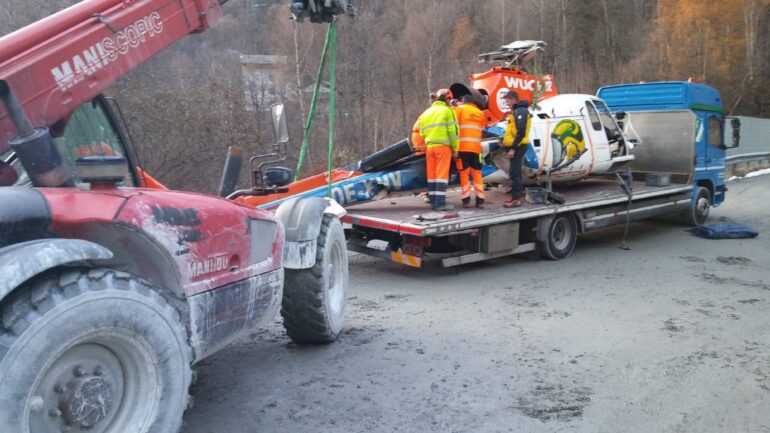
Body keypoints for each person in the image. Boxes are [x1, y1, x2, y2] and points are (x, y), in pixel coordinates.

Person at [417, 88, 459, 211]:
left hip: (430, 147)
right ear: (447, 99)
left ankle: (434, 201)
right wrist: (455, 148)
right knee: (441, 175)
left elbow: (422, 131)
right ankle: (440, 204)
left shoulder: (427, 112)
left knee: (432, 175)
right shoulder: (448, 111)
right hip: (443, 147)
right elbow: (453, 132)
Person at [454, 95, 486, 208]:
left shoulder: (459, 109)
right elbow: (482, 127)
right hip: (476, 148)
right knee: (477, 173)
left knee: (464, 173)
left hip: (463, 148)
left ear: (463, 102)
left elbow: (454, 127)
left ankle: (466, 199)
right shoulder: (480, 112)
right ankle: (480, 200)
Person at [501, 90, 532, 208]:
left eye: (508, 98)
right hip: (516, 145)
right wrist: (505, 142)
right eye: (505, 99)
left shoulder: (521, 111)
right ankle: (516, 197)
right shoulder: (516, 111)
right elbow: (513, 131)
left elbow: (521, 131)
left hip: (518, 146)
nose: (506, 101)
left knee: (515, 172)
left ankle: (516, 199)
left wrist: (513, 148)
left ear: (514, 99)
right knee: (514, 172)